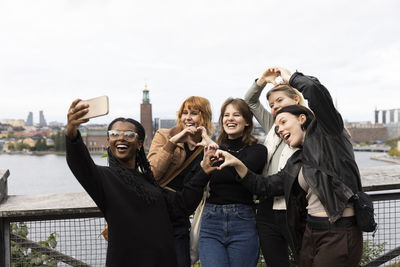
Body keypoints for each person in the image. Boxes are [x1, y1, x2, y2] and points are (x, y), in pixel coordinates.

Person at [217, 68, 363, 267]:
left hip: (338, 231)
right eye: (277, 127)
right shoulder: (298, 159)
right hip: (312, 230)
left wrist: (292, 78)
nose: (280, 129)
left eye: (284, 122)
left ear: (301, 118)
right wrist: (237, 164)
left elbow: (315, 92)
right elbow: (266, 186)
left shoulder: (330, 135)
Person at [65, 99, 218, 267]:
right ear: (108, 141)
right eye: (114, 134)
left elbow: (182, 205)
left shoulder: (148, 182)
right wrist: (72, 131)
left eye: (129, 135)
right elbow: (80, 163)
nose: (121, 138)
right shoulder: (104, 178)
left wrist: (203, 170)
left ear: (139, 144)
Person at [244, 67, 306, 267]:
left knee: (305, 259)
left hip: (294, 207)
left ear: (296, 99)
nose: (275, 107)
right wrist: (262, 80)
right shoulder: (273, 124)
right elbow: (250, 102)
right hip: (266, 207)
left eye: (280, 100)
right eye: (272, 104)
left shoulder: (307, 126)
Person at [198, 98, 267, 267]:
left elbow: (241, 174)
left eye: (236, 115)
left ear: (247, 122)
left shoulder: (258, 150)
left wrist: (215, 149)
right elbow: (199, 178)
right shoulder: (210, 150)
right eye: (226, 115)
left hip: (243, 220)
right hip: (211, 220)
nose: (230, 118)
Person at [147, 96, 216, 267]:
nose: (188, 118)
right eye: (184, 113)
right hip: (155, 210)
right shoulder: (164, 135)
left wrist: (207, 142)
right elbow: (152, 174)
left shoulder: (206, 147)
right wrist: (173, 142)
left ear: (204, 118)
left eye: (194, 113)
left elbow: (216, 171)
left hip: (179, 215)